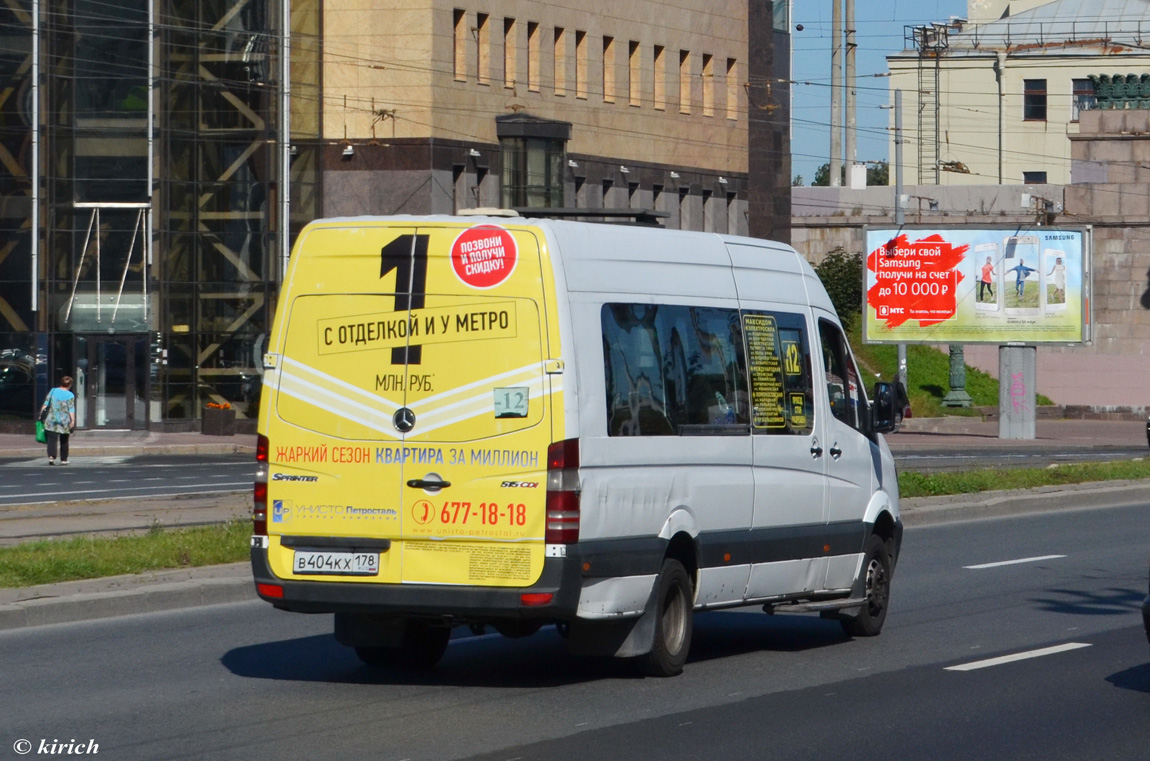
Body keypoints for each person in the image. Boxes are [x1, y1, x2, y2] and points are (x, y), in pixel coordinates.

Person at [40, 376, 76, 465]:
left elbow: (46, 403)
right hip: (64, 420)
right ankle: (64, 459)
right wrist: (73, 420)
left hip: (51, 418)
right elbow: (71, 408)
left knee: (52, 439)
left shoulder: (53, 391)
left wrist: (41, 415)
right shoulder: (70, 395)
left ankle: (51, 457)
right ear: (70, 385)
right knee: (64, 440)